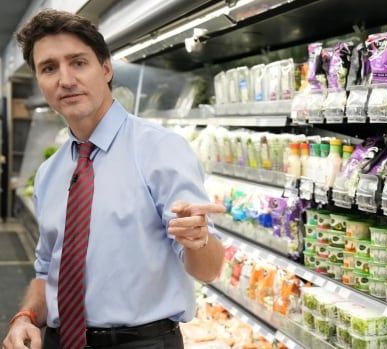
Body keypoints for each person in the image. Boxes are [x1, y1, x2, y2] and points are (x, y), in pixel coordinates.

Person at [2, 9, 226, 349]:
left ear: (105, 69)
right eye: (49, 68)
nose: (65, 79)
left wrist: (199, 240)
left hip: (142, 342)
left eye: (78, 62)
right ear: (39, 81)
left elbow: (209, 269)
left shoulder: (160, 150)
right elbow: (46, 273)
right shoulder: (50, 174)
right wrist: (25, 318)